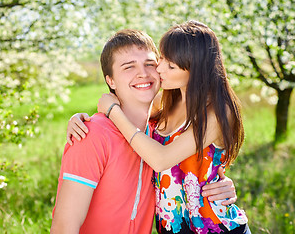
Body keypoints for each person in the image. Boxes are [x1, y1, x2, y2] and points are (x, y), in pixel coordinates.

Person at [51, 29, 237, 234]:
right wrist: (80, 119)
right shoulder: (94, 134)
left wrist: (220, 182)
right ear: (110, 80)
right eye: (129, 67)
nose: (148, 72)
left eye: (151, 64)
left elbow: (162, 158)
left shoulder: (210, 114)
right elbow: (64, 226)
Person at [96, 21, 250, 233]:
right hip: (171, 227)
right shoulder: (166, 101)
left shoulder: (216, 112)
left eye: (170, 66)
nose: (159, 69)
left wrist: (113, 111)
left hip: (214, 227)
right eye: (162, 59)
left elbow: (161, 159)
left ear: (194, 69)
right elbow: (126, 114)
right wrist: (80, 118)